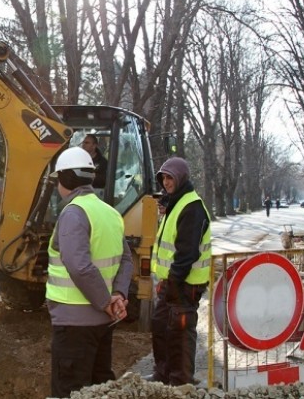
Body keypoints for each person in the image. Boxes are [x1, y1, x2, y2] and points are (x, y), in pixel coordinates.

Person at [46, 146, 134, 397]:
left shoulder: (73, 213)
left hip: (74, 325)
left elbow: (79, 265)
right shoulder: (111, 214)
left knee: (69, 390)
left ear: (63, 179)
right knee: (99, 389)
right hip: (102, 324)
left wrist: (106, 301)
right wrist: (118, 294)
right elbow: (126, 260)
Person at [147, 157, 211, 386]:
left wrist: (173, 283)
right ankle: (163, 375)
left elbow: (186, 253)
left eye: (170, 177)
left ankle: (181, 382)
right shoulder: (176, 203)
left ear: (181, 178)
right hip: (172, 283)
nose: (166, 182)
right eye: (163, 177)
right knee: (161, 326)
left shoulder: (191, 207)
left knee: (180, 334)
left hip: (185, 285)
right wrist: (165, 282)